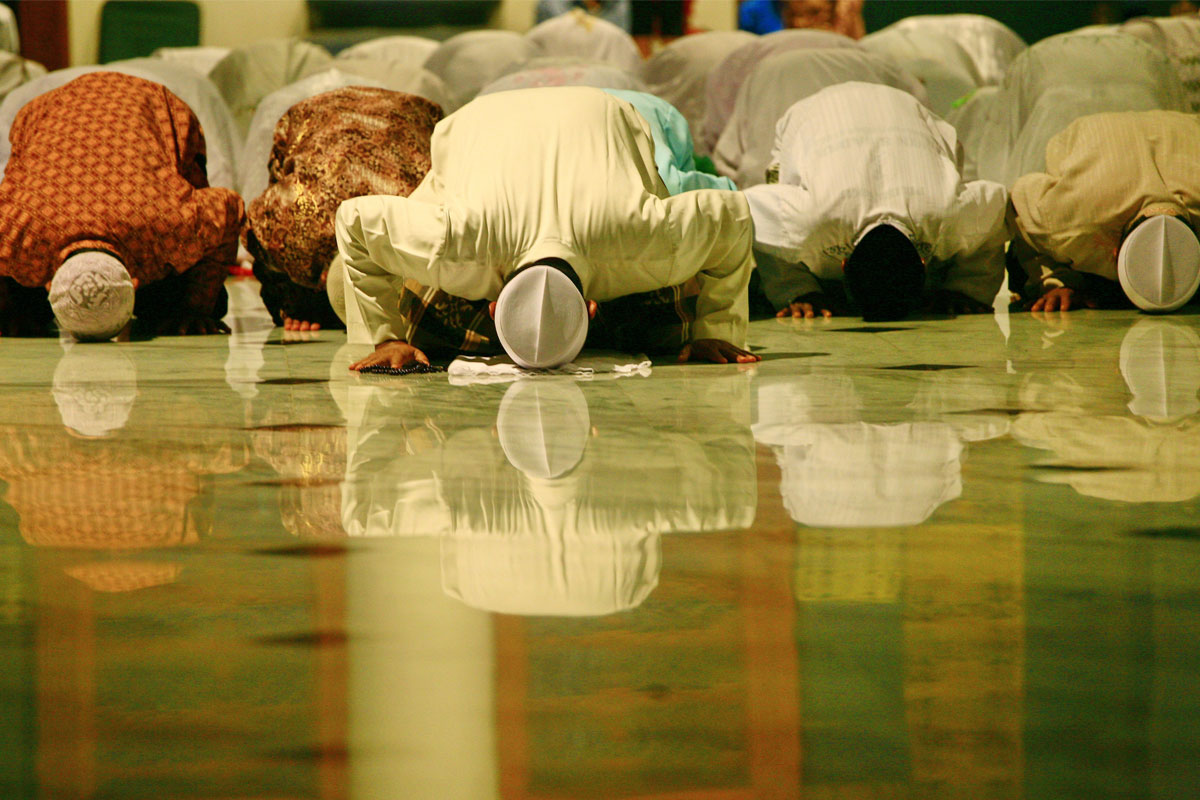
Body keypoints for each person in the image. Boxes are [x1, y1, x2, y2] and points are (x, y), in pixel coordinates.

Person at [335, 86, 758, 369]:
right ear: (593, 310)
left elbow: (734, 217)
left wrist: (387, 339)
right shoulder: (457, 242)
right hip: (509, 117)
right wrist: (714, 333)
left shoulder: (642, 242)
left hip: (579, 113)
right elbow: (353, 222)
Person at [0, 72, 243, 338]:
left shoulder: (167, 224)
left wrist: (194, 308)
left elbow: (229, 210)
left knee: (180, 299)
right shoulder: (18, 233)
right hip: (46, 109)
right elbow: (229, 208)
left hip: (153, 104)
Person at [743, 82, 1008, 321]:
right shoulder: (814, 218)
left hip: (905, 113)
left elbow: (996, 205)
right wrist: (798, 291)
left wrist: (963, 290)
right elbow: (756, 213)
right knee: (782, 201)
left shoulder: (947, 215)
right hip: (813, 116)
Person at [244, 86, 442, 332]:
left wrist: (293, 306)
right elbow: (260, 229)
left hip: (405, 115)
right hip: (401, 114)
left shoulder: (301, 227)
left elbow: (258, 230)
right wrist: (293, 306)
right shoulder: (301, 224)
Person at [1008, 110, 1200, 313]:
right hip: (1093, 134)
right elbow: (1020, 209)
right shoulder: (1068, 220)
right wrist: (1055, 280)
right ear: (1114, 253)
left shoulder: (1072, 221)